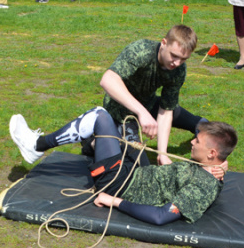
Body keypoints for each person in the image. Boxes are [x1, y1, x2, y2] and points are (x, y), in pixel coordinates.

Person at [12, 25, 207, 167]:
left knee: (187, 118)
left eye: (183, 59)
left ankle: (204, 129)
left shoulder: (178, 70)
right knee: (138, 166)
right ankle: (92, 141)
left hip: (147, 103)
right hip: (120, 108)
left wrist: (163, 154)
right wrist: (141, 113)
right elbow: (107, 80)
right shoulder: (141, 51)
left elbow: (166, 111)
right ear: (164, 43)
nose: (177, 63)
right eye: (174, 55)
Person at [10, 108, 237, 225]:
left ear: (211, 153)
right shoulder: (212, 166)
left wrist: (113, 201)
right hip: (139, 173)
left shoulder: (202, 187)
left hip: (120, 184)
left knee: (100, 117)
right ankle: (93, 145)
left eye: (196, 141)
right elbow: (216, 164)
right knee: (122, 124)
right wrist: (223, 166)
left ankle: (36, 146)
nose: (191, 141)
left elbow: (161, 216)